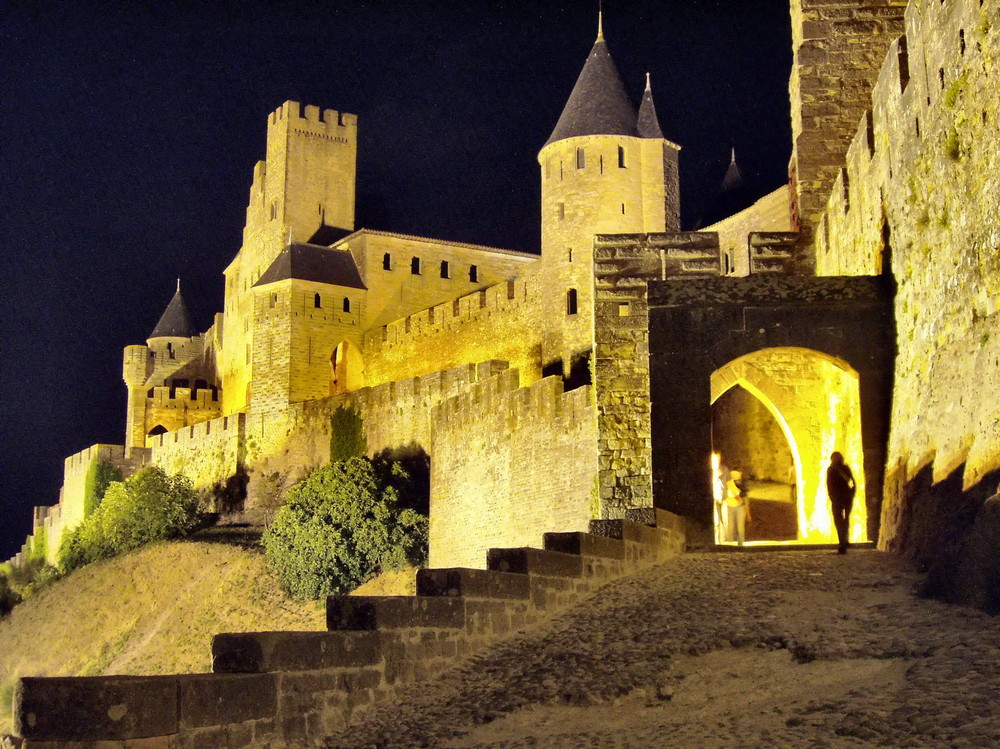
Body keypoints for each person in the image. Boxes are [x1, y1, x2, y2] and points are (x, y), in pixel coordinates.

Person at [826, 451, 856, 554]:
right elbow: (852, 483)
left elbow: (829, 485)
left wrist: (832, 497)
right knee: (846, 519)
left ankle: (842, 542)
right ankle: (845, 540)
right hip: (847, 497)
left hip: (837, 498)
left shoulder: (831, 470)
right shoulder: (846, 468)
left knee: (838, 520)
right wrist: (851, 494)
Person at [724, 469, 751, 546]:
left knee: (735, 525)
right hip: (734, 505)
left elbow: (745, 497)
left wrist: (748, 513)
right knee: (733, 525)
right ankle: (735, 543)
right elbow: (742, 497)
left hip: (736, 505)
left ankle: (735, 543)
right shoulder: (730, 483)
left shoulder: (741, 483)